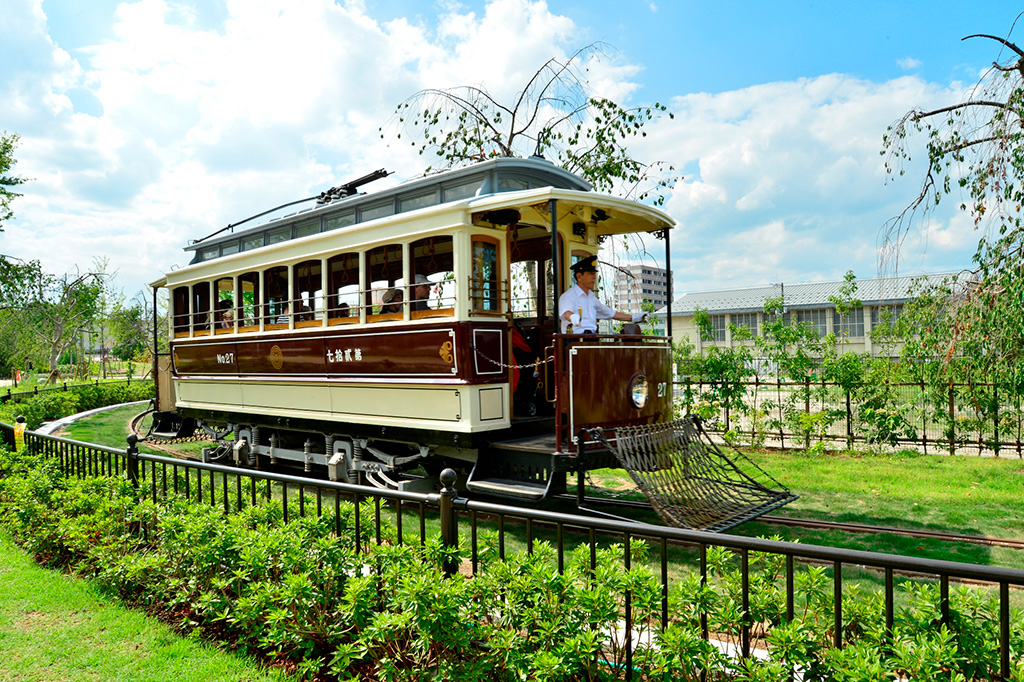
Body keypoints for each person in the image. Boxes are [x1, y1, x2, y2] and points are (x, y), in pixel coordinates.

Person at [558, 255, 646, 333]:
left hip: (591, 339)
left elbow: (610, 313)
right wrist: (573, 317)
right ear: (579, 277)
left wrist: (633, 318)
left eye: (594, 274)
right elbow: (567, 313)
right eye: (591, 274)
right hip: (574, 342)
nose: (594, 277)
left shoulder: (591, 298)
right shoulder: (569, 296)